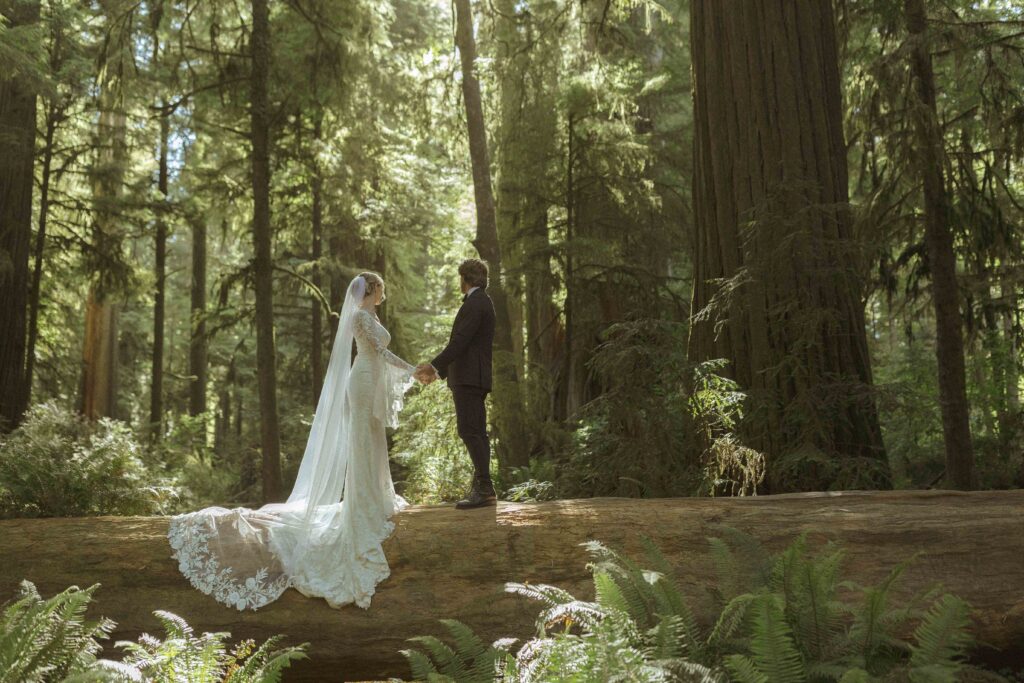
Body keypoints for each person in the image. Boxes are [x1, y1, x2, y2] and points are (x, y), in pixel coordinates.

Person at [167, 272, 425, 611]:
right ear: (371, 289)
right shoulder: (360, 316)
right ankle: (363, 507)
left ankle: (375, 498)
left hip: (370, 380)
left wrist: (410, 371)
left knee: (373, 441)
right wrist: (413, 370)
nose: (383, 293)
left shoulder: (372, 315)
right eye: (380, 288)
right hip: (362, 381)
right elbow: (378, 353)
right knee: (363, 442)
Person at [415, 258, 497, 510]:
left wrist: (434, 366)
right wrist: (439, 371)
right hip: (473, 376)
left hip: (470, 377)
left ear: (466, 278)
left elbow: (460, 341)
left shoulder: (476, 303)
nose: (459, 281)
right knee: (475, 431)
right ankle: (483, 486)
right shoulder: (481, 302)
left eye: (460, 277)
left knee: (470, 431)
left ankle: (484, 488)